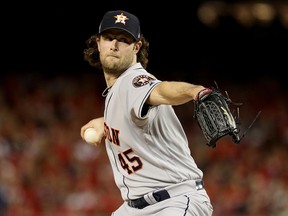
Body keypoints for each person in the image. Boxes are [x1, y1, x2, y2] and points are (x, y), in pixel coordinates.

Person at [80, 10, 213, 216]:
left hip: (173, 202)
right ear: (98, 43)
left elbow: (160, 90)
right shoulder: (117, 92)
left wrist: (193, 91)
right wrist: (103, 123)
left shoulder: (133, 80)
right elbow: (132, 120)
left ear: (136, 47)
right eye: (109, 38)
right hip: (134, 208)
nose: (114, 45)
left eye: (123, 40)